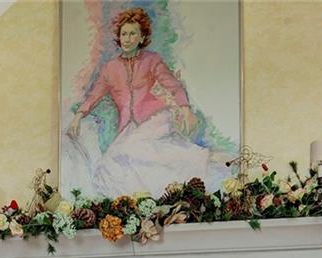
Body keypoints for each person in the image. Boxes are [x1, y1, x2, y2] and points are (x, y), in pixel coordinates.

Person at [65, 7, 228, 197]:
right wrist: (78, 116)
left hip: (155, 118)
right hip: (129, 125)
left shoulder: (152, 60)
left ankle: (205, 160)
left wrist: (185, 110)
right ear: (119, 37)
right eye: (124, 34)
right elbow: (94, 95)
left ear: (142, 38)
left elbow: (173, 85)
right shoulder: (110, 68)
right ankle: (149, 199)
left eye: (133, 33)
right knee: (112, 166)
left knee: (133, 150)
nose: (127, 38)